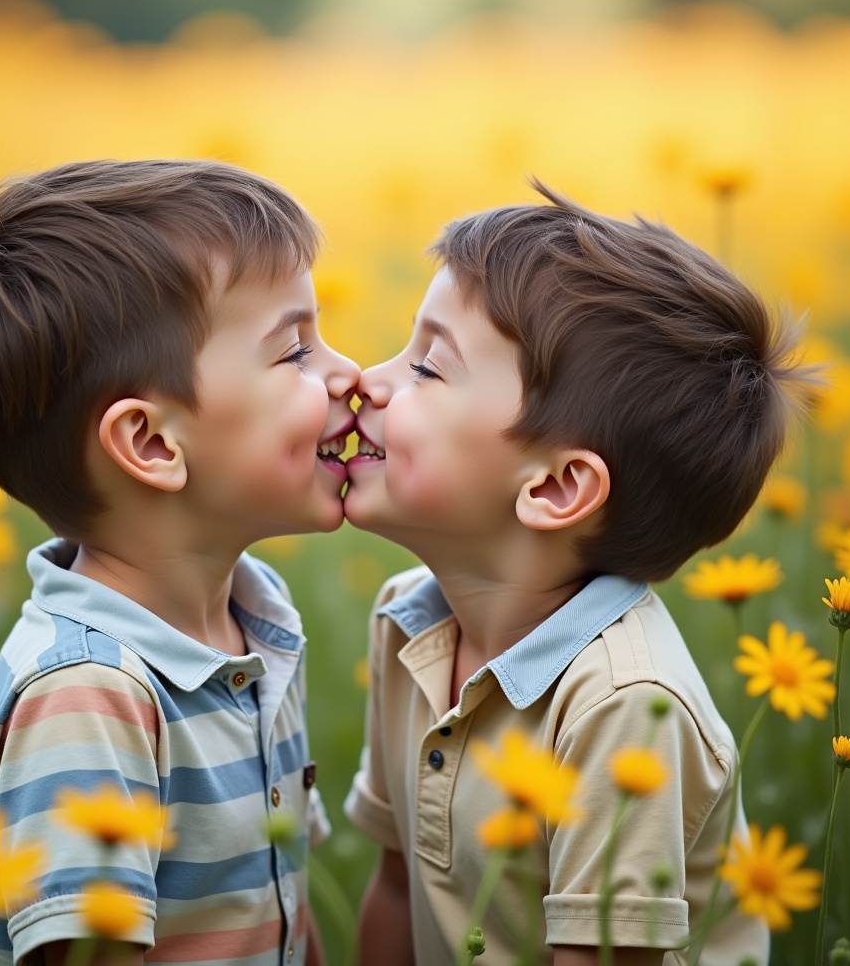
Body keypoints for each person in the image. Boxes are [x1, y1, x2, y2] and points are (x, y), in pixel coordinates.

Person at [0, 160, 359, 965]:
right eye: (294, 353)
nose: (349, 375)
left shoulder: (256, 621)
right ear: (151, 444)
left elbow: (283, 898)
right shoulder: (88, 694)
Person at [342, 183, 815, 966]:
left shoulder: (624, 706)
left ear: (555, 488)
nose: (370, 380)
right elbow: (396, 891)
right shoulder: (406, 622)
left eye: (427, 368)